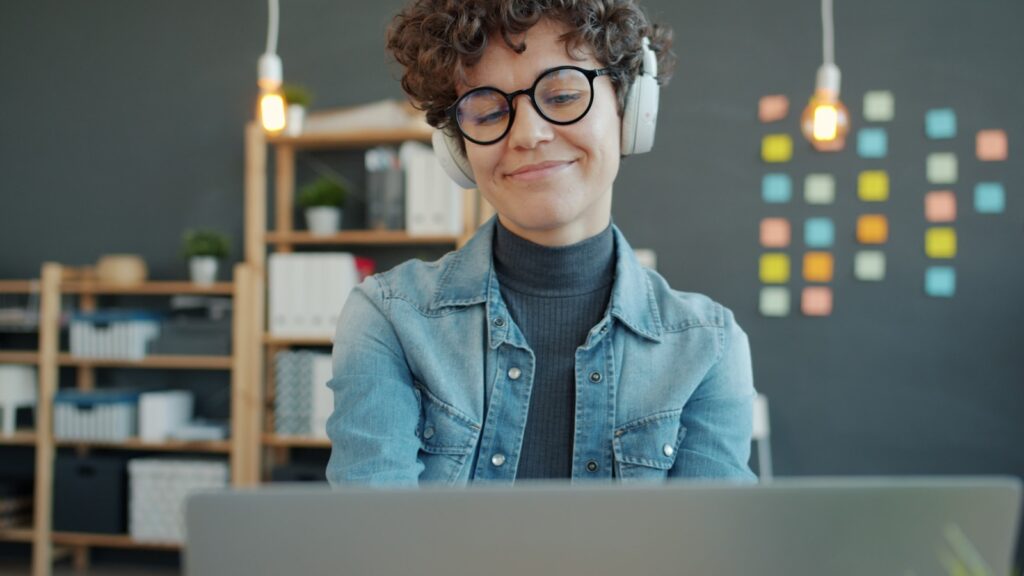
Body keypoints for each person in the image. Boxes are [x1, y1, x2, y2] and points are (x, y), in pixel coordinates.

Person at [326, 0, 757, 486]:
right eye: (487, 111)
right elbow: (377, 532)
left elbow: (706, 537)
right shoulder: (390, 320)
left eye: (563, 96)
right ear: (456, 147)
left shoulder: (708, 346)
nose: (528, 134)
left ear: (632, 108)